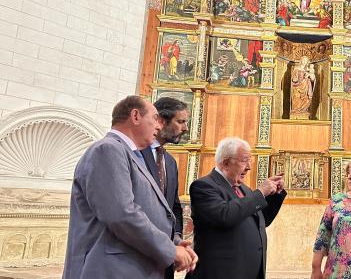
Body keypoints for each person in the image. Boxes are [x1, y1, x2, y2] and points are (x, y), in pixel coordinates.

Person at [63, 96, 196, 279]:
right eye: (154, 119)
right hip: (110, 269)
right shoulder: (108, 149)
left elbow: (148, 211)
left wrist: (174, 242)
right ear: (135, 116)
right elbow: (121, 214)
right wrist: (170, 250)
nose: (158, 126)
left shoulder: (133, 156)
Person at [186, 137, 285, 279]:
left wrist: (276, 195)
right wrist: (261, 192)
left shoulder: (244, 189)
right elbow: (225, 216)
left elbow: (261, 221)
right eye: (244, 160)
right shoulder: (204, 186)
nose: (249, 167)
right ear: (226, 163)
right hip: (220, 273)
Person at [139, 97, 189, 279]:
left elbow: (173, 207)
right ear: (161, 120)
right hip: (138, 257)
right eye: (181, 121)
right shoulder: (134, 155)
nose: (185, 128)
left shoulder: (170, 162)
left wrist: (176, 238)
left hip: (164, 262)